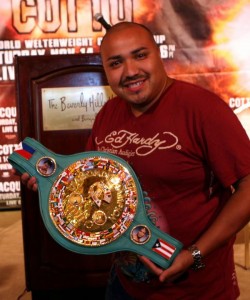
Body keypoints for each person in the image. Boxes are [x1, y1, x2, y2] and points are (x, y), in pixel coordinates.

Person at [18, 22, 250, 299]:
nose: (130, 71)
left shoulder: (203, 109)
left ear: (158, 54)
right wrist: (52, 186)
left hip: (196, 288)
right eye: (116, 63)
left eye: (140, 55)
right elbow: (91, 187)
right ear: (105, 69)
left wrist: (194, 254)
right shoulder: (108, 113)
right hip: (125, 283)